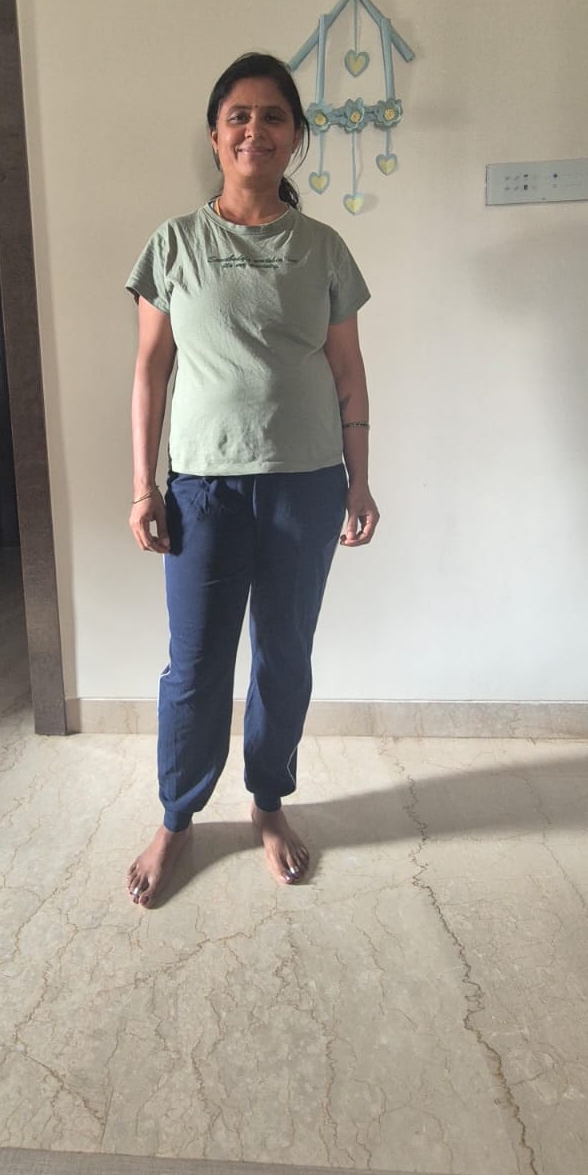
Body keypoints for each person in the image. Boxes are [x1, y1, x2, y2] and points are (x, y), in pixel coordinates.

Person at [124, 52, 379, 908]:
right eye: (239, 115)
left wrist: (360, 481)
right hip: (204, 489)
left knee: (284, 657)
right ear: (214, 134)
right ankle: (177, 816)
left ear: (294, 136)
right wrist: (143, 486)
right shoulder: (174, 245)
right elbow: (150, 370)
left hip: (306, 485)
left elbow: (349, 373)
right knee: (195, 665)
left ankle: (269, 803)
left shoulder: (323, 248)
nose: (255, 130)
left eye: (274, 116)